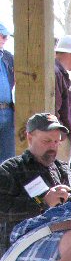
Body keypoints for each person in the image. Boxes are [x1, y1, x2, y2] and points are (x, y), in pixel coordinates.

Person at [0, 112, 71, 254]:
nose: (53, 147)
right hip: (20, 256)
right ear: (29, 138)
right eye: (46, 141)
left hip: (59, 253)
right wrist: (42, 202)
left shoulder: (63, 169)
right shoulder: (11, 170)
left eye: (56, 141)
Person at [54, 35, 71, 163]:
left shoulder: (59, 72)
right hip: (59, 138)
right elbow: (55, 108)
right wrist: (61, 134)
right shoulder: (57, 73)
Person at [0, 22, 15, 162]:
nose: (5, 39)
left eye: (6, 37)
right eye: (2, 36)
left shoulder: (8, 57)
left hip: (7, 110)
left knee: (8, 157)